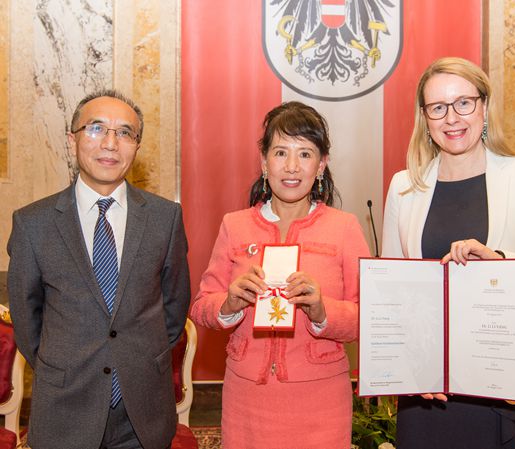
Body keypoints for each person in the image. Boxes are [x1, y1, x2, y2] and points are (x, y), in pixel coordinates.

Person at [382, 57, 515, 449]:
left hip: (499, 381)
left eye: (464, 102)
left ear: (484, 106)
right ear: (424, 118)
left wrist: (502, 263)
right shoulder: (404, 187)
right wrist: (405, 368)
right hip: (427, 386)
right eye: (437, 107)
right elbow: (394, 293)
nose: (451, 118)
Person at [7, 90, 191, 449]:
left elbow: (174, 307)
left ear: (136, 146)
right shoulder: (33, 223)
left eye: (124, 132)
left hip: (143, 410)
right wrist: (63, 365)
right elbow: (27, 320)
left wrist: (138, 359)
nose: (110, 143)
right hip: (65, 408)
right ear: (71, 139)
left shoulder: (164, 218)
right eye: (96, 129)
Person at [191, 101, 370, 449]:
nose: (291, 166)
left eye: (305, 154)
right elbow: (201, 307)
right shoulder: (235, 225)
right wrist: (229, 303)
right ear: (263, 161)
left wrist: (323, 311)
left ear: (321, 165)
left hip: (321, 402)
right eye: (280, 152)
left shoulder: (344, 228)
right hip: (247, 401)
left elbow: (370, 318)